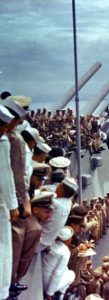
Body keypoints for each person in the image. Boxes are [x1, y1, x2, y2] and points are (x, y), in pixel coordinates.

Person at [0, 105, 20, 300]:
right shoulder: (2, 141)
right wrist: (13, 205)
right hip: (1, 203)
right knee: (4, 247)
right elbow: (5, 174)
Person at [42, 226, 75, 300]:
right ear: (67, 240)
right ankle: (61, 295)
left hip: (40, 278)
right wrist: (49, 293)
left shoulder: (51, 244)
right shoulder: (65, 252)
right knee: (71, 274)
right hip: (47, 285)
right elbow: (57, 273)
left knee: (65, 269)